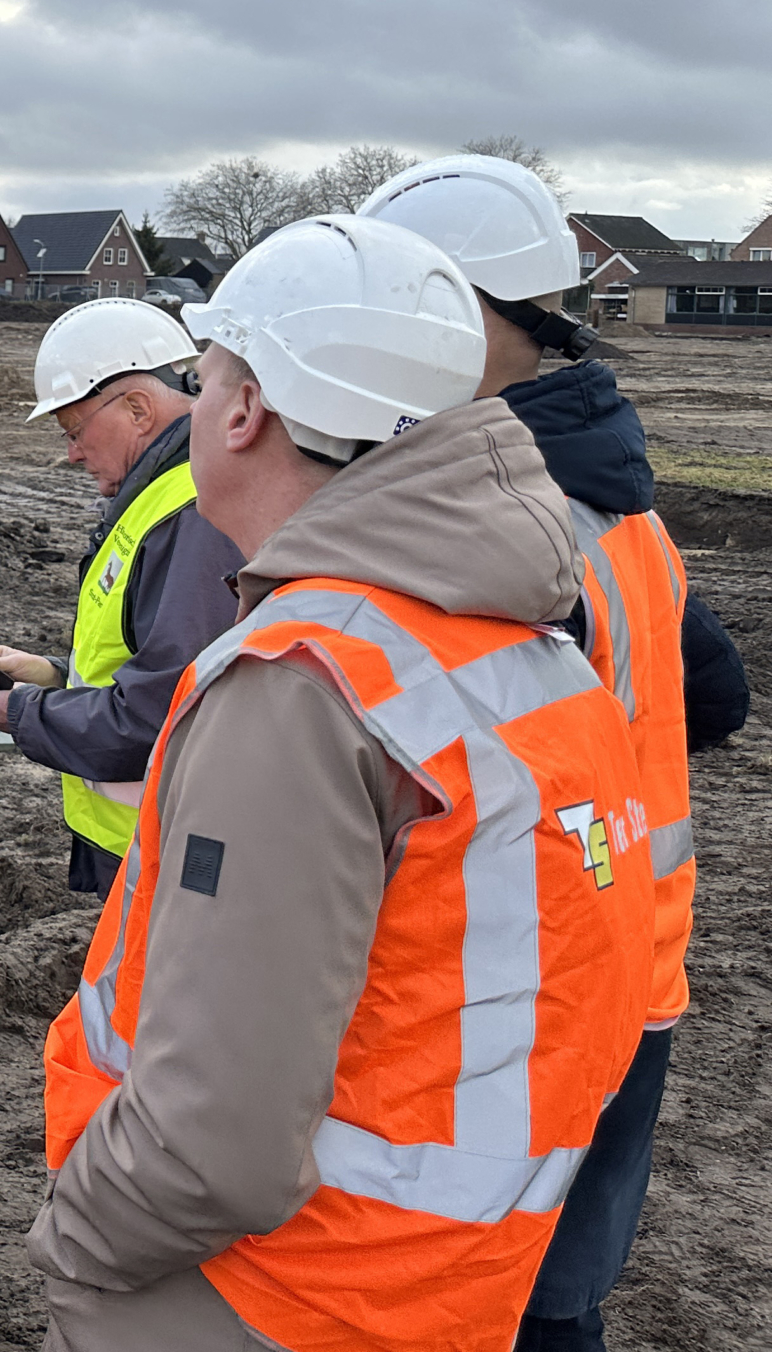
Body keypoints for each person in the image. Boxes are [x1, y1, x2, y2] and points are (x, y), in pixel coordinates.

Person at [33, 216, 655, 1351]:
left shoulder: (306, 683)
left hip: (284, 1291)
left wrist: (78, 1243)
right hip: (439, 1286)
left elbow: (212, 1144)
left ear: (242, 410)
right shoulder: (525, 645)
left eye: (207, 369)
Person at [363, 153, 751, 1351]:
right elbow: (715, 698)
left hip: (521, 994)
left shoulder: (490, 524)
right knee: (559, 1304)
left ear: (461, 316)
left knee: (472, 1309)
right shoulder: (626, 510)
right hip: (635, 966)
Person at [0, 300, 245, 894]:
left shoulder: (191, 517)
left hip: (168, 859)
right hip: (141, 847)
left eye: (75, 430)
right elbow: (150, 657)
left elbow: (161, 715)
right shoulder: (161, 499)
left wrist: (20, 712)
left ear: (138, 408)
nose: (71, 454)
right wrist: (54, 675)